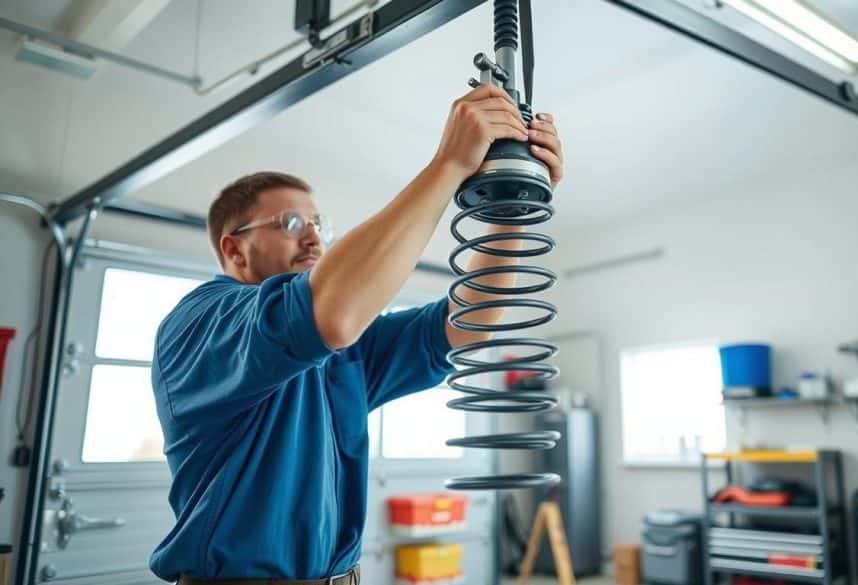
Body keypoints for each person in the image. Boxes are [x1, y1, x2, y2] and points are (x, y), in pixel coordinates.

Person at [148, 85, 564, 584]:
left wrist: (514, 197)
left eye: (319, 223)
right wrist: (448, 165)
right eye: (291, 222)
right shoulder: (200, 323)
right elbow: (333, 312)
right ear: (235, 251)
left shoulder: (339, 353)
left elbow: (467, 321)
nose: (314, 237)